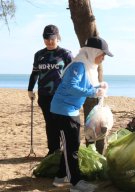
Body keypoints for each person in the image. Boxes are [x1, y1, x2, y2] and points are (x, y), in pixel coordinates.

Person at [50, 36, 113, 192]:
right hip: (63, 111)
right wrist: (94, 91)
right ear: (93, 52)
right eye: (103, 54)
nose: (103, 58)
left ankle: (60, 177)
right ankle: (75, 182)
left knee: (72, 145)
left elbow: (84, 85)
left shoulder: (86, 65)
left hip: (70, 109)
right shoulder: (78, 66)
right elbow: (72, 87)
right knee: (72, 147)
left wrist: (99, 86)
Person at [27, 24, 73, 156]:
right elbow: (35, 73)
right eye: (46, 39)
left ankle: (65, 151)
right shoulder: (39, 55)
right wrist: (30, 89)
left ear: (58, 37)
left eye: (52, 38)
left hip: (61, 96)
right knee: (50, 124)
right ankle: (53, 150)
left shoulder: (66, 54)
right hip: (44, 95)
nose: (49, 41)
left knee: (62, 124)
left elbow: (74, 74)